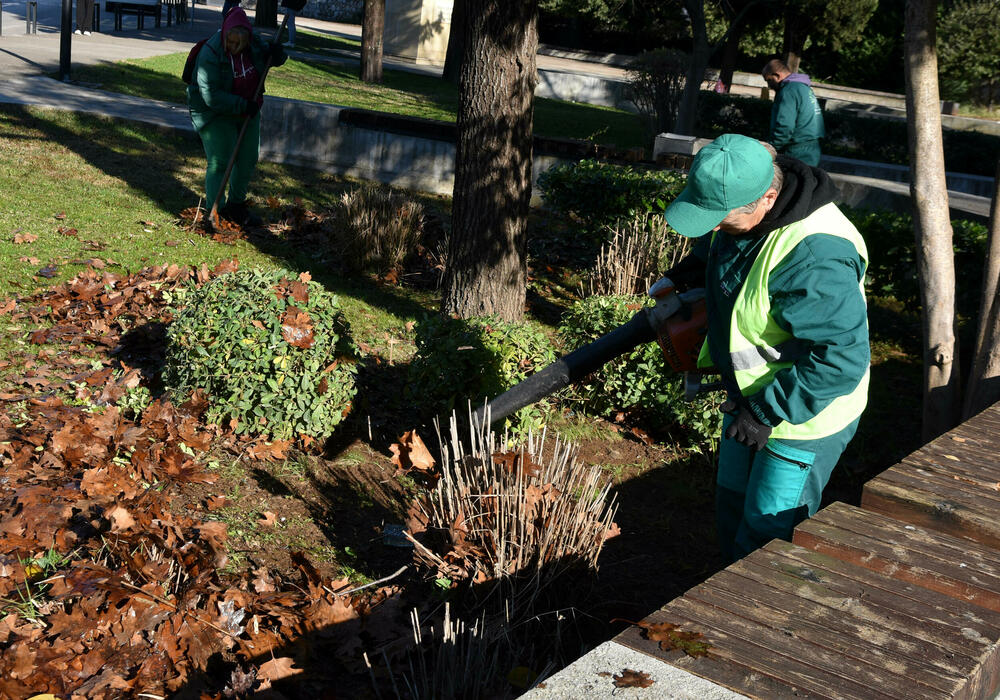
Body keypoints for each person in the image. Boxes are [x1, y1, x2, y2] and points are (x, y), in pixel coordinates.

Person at [659, 133, 869, 563]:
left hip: (802, 415)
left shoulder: (814, 258)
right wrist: (686, 273)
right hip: (750, 400)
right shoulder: (745, 198)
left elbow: (841, 358)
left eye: (719, 218)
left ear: (768, 197)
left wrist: (765, 411)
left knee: (767, 533)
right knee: (732, 506)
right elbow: (726, 244)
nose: (714, 225)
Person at [186, 7, 287, 226]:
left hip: (247, 108)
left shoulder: (254, 43)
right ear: (224, 36)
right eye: (230, 43)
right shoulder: (210, 53)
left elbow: (272, 59)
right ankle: (216, 210)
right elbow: (210, 96)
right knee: (220, 161)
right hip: (214, 112)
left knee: (247, 157)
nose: (234, 48)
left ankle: (236, 206)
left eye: (239, 45)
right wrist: (242, 105)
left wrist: (277, 53)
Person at [761, 58, 825, 167]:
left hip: (796, 151)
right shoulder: (803, 87)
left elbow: (784, 126)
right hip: (812, 148)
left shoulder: (788, 91)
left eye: (769, 80)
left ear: (777, 75)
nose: (769, 86)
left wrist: (770, 148)